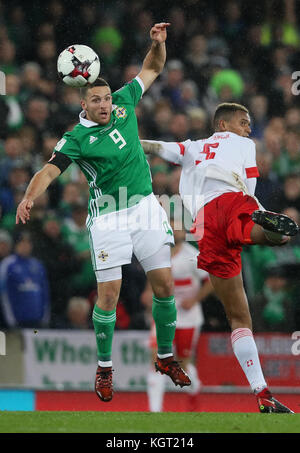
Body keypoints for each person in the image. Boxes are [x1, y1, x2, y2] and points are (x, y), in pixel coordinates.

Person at [15, 22, 191, 403]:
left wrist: (157, 43)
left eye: (107, 98)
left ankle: (164, 357)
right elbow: (49, 170)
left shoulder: (127, 102)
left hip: (144, 207)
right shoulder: (76, 138)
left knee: (164, 287)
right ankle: (105, 367)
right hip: (108, 216)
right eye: (96, 101)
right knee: (108, 296)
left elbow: (153, 68)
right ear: (84, 104)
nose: (105, 105)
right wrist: (29, 197)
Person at [140, 102, 299, 413]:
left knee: (239, 318)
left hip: (204, 224)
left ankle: (263, 393)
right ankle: (274, 232)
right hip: (233, 202)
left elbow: (155, 147)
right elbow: (249, 187)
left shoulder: (190, 147)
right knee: (271, 232)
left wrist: (124, 141)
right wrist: (258, 212)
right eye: (243, 121)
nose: (248, 128)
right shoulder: (243, 144)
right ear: (223, 125)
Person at [147, 220, 213, 412]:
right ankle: (155, 412)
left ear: (184, 234)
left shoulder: (193, 256)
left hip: (188, 317)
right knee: (157, 359)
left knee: (183, 364)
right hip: (163, 313)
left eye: (178, 230)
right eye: (171, 229)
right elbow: (153, 278)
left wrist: (194, 300)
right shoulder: (157, 254)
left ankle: (194, 388)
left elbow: (211, 282)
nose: (175, 233)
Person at [0, 231, 50, 328]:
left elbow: (45, 292)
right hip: (17, 321)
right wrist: (10, 319)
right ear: (16, 245)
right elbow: (4, 293)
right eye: (22, 242)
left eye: (28, 243)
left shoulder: (38, 265)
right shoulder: (8, 264)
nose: (25, 246)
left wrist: (45, 317)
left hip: (37, 320)